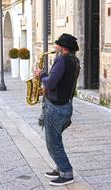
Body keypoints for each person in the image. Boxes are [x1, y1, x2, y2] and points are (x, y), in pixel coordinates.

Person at [34, 33, 80, 186]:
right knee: (56, 140)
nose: (55, 47)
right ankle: (60, 167)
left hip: (56, 108)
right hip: (65, 105)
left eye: (57, 44)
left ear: (63, 47)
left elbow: (51, 83)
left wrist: (41, 75)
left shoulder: (61, 59)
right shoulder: (75, 60)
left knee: (53, 142)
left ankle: (66, 173)